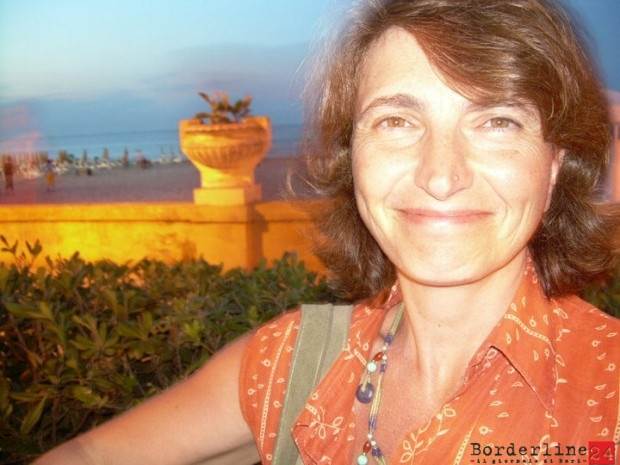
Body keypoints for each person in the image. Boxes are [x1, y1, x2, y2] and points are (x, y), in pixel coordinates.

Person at [34, 1, 619, 464]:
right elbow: (92, 452)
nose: (441, 176)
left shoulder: (605, 392)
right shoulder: (295, 361)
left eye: (497, 122)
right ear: (352, 157)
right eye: (396, 120)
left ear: (555, 164)